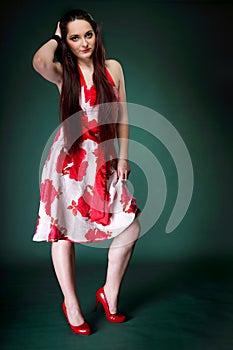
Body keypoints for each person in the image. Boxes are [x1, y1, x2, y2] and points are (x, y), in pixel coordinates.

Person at [32, 9, 141, 336]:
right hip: (68, 161)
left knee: (130, 225)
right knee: (62, 233)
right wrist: (54, 37)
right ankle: (72, 303)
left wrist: (123, 157)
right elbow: (39, 62)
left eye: (88, 34)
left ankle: (109, 293)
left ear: (97, 33)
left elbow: (121, 116)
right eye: (74, 37)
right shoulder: (63, 72)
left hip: (105, 161)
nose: (83, 43)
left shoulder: (113, 69)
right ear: (65, 41)